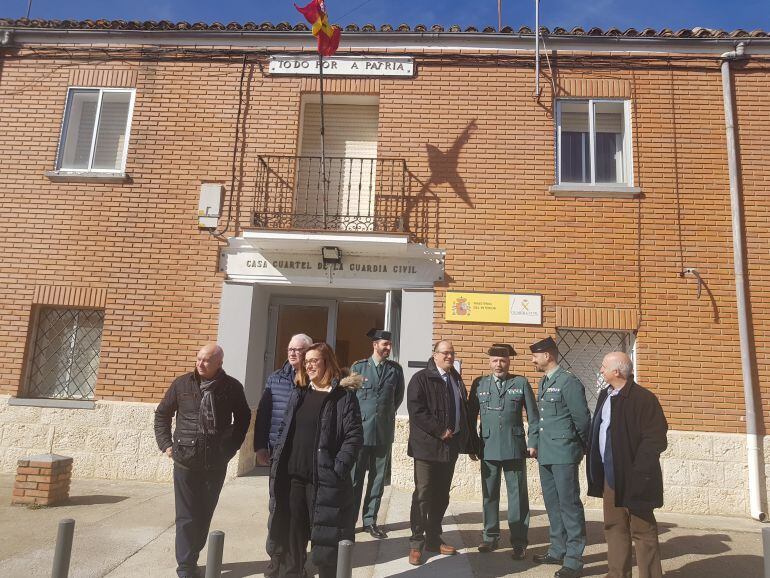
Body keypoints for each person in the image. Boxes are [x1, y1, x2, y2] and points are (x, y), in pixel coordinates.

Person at [266, 342, 363, 578]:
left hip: (324, 480)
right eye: (306, 361)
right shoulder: (299, 393)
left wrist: (337, 469)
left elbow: (354, 437)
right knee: (291, 537)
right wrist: (277, 454)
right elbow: (284, 428)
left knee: (326, 542)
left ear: (327, 362)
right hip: (293, 479)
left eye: (314, 360)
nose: (309, 365)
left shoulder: (343, 398)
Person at [154, 343, 251, 578]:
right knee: (186, 515)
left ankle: (193, 553)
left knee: (204, 513)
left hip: (215, 462)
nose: (200, 363)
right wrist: (166, 444)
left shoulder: (231, 387)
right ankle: (185, 566)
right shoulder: (182, 384)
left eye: (206, 360)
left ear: (219, 363)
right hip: (185, 460)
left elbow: (243, 417)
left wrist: (230, 447)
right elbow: (162, 414)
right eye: (198, 359)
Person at [587, 352, 668, 578]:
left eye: (603, 367)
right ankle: (617, 574)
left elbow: (656, 439)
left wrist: (638, 471)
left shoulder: (643, 398)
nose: (600, 371)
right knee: (614, 527)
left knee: (643, 531)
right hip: (610, 477)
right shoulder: (606, 394)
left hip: (636, 478)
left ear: (617, 371)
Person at [406, 340, 479, 566]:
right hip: (427, 448)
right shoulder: (421, 379)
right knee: (423, 495)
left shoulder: (456, 379)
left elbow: (463, 411)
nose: (449, 356)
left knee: (441, 495)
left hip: (450, 448)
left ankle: (433, 538)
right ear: (435, 355)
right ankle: (416, 543)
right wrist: (440, 430)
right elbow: (416, 410)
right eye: (445, 353)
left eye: (452, 353)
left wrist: (467, 442)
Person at [468, 343, 540, 559]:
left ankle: (519, 541)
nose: (498, 364)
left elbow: (534, 417)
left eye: (503, 360)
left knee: (517, 496)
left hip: (514, 447)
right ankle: (490, 537)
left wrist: (533, 441)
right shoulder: (479, 383)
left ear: (509, 362)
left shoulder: (520, 383)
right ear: (489, 362)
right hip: (487, 447)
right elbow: (470, 417)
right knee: (489, 495)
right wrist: (472, 445)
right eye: (494, 361)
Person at [530, 336, 591, 578]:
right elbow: (540, 419)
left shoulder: (568, 382)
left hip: (564, 453)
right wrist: (534, 444)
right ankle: (557, 549)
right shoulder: (545, 382)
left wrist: (583, 447)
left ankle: (574, 559)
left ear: (548, 355)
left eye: (535, 355)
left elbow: (582, 419)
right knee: (553, 505)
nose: (533, 360)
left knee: (569, 505)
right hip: (546, 453)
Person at [350, 328, 405, 539]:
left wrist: (383, 417)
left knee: (377, 479)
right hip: (361, 432)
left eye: (390, 345)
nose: (388, 348)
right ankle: (350, 521)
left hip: (383, 432)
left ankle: (370, 521)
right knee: (355, 479)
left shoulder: (395, 370)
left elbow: (396, 398)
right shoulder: (359, 367)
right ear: (375, 345)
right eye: (385, 345)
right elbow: (350, 400)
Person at [254, 333, 313, 466]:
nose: (292, 353)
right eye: (290, 349)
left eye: (297, 350)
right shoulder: (275, 378)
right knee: (277, 486)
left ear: (309, 352)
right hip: (277, 447)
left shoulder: (317, 380)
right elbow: (263, 415)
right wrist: (260, 446)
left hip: (305, 450)